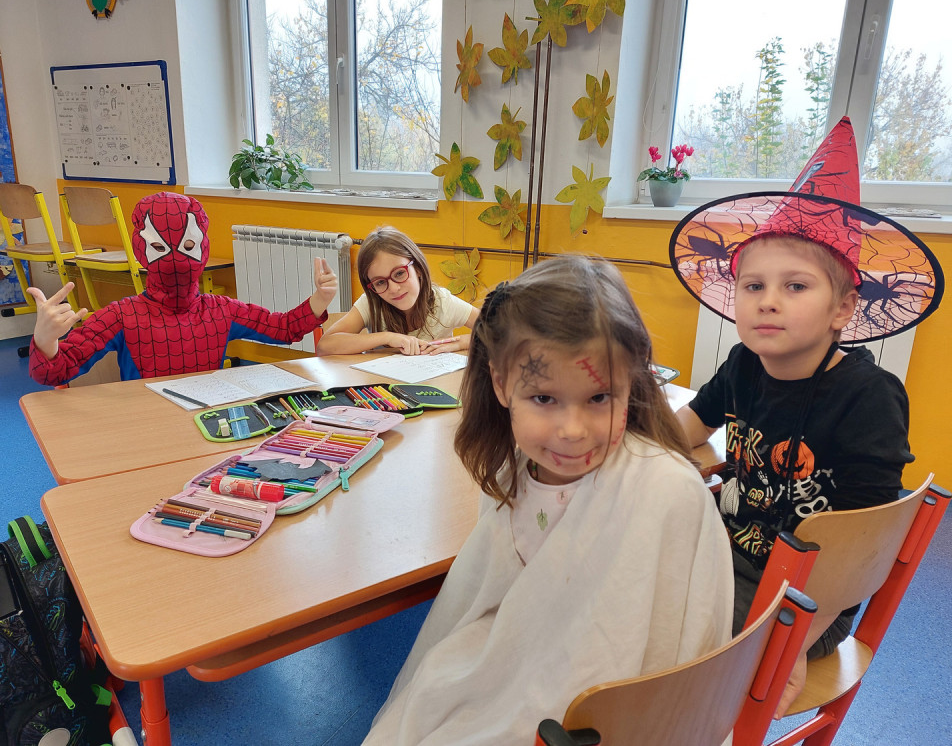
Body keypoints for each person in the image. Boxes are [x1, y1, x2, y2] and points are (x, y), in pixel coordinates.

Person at [363, 255, 734, 745]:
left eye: (599, 398)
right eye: (544, 399)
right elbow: (498, 593)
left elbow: (672, 647)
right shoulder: (512, 470)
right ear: (500, 384)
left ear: (632, 383)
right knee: (425, 703)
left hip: (595, 710)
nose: (573, 430)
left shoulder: (666, 490)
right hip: (518, 657)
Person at [669, 116, 944, 716]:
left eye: (795, 287)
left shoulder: (869, 398)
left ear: (843, 308)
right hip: (724, 549)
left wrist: (795, 644)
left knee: (674, 655)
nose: (767, 300)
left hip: (806, 599)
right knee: (619, 590)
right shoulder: (744, 362)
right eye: (752, 286)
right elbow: (685, 430)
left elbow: (867, 541)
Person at [27, 191, 337, 384]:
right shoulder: (121, 316)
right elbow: (54, 371)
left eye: (188, 246)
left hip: (208, 421)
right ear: (142, 250)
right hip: (145, 424)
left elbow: (283, 328)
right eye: (160, 248)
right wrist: (45, 339)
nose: (176, 258)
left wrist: (320, 299)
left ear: (201, 247)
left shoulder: (222, 310)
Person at [315, 225, 479, 356]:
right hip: (384, 386)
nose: (394, 288)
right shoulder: (371, 303)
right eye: (380, 282)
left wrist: (462, 342)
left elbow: (495, 331)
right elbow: (325, 346)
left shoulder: (442, 302)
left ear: (417, 268)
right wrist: (388, 337)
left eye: (399, 273)